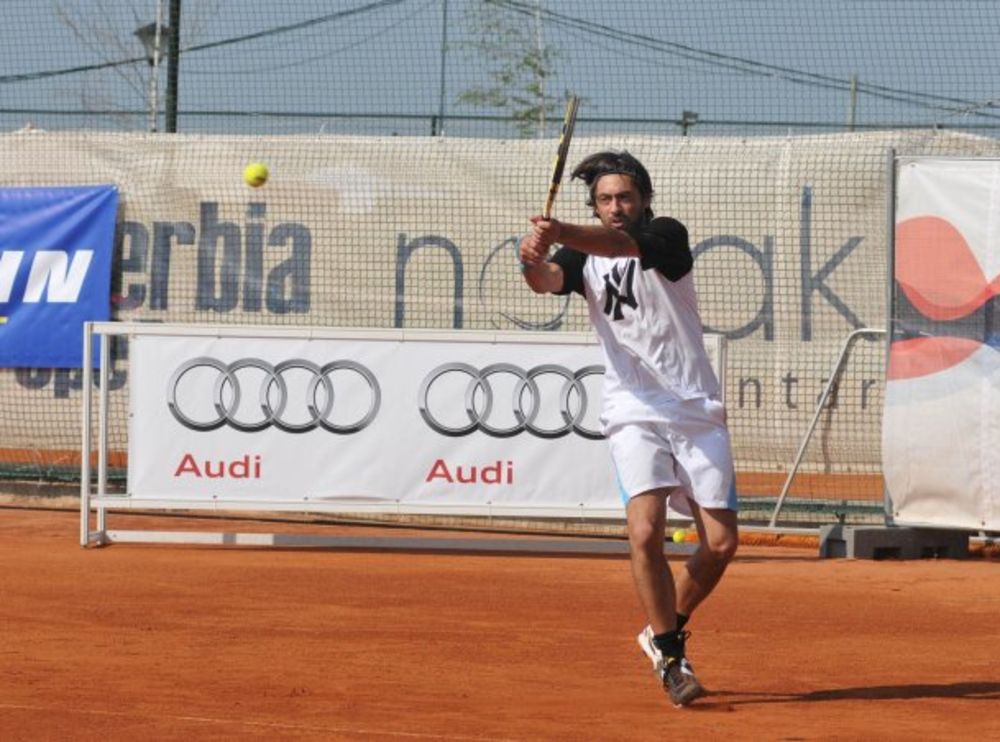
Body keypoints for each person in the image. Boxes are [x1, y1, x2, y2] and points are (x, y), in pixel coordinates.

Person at [519, 150, 738, 708]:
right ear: (594, 204)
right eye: (605, 200)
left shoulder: (665, 235)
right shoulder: (581, 255)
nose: (616, 207)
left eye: (624, 197)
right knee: (644, 532)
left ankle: (663, 627)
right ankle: (670, 653)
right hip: (631, 408)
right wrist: (532, 257)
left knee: (721, 543)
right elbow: (545, 282)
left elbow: (618, 245)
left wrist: (561, 230)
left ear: (643, 199)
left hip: (694, 407)